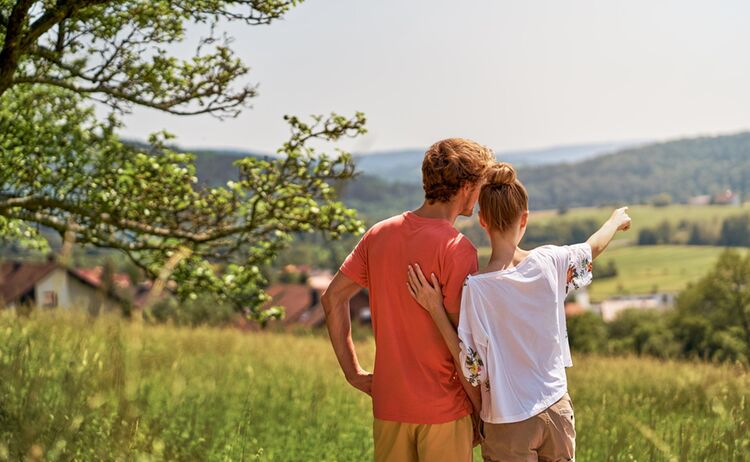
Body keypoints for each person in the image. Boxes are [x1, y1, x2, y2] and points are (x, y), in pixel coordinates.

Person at [407, 162, 631, 462]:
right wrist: (615, 221)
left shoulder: (476, 289)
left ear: (483, 221)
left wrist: (435, 309)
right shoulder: (549, 262)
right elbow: (592, 248)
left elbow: (472, 367)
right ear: (524, 218)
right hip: (557, 409)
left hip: (508, 421)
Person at [322, 138, 495, 462]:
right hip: (444, 409)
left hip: (389, 406)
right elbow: (463, 344)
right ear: (468, 186)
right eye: (481, 184)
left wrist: (353, 373)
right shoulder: (458, 250)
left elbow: (332, 299)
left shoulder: (379, 234)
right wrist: (480, 411)